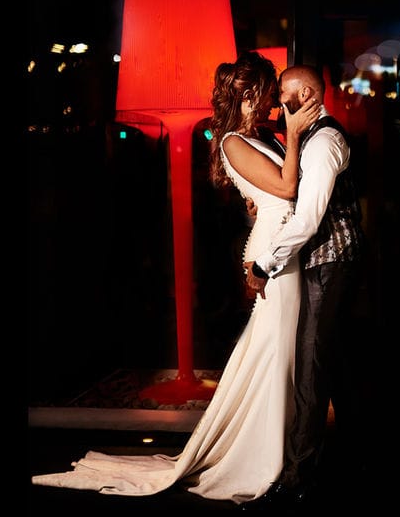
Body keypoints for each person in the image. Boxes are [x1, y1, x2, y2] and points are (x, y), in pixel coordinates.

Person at [31, 51, 320, 504]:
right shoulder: (231, 143)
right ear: (247, 95)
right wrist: (299, 135)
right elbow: (285, 189)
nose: (272, 105)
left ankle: (283, 445)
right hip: (273, 254)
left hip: (284, 246)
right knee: (277, 348)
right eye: (267, 95)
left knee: (279, 350)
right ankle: (264, 454)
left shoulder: (261, 136)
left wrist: (290, 144)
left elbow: (281, 186)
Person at [243, 64, 367, 507]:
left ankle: (297, 479)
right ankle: (352, 462)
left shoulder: (326, 142)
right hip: (326, 263)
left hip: (331, 263)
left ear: (307, 95)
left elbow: (310, 218)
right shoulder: (312, 139)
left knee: (312, 370)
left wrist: (264, 261)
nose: (279, 103)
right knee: (333, 364)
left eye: (284, 95)